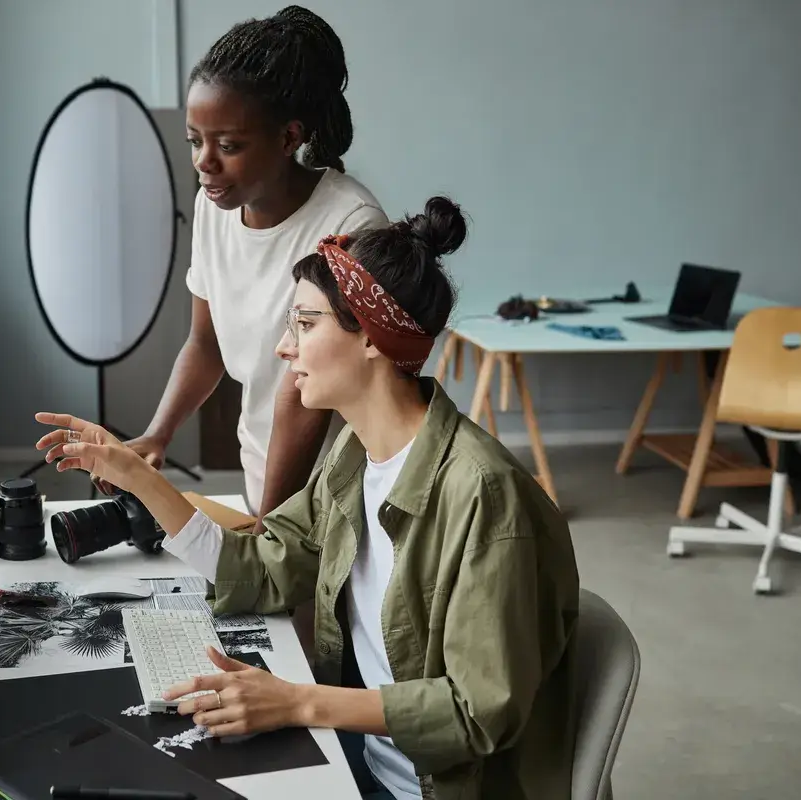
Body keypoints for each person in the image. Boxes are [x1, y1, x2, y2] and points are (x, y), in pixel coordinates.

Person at [34, 196, 581, 800]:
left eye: (305, 323)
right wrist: (136, 475)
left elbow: (478, 712)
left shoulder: (483, 497)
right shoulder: (354, 455)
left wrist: (297, 702)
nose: (283, 348)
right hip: (365, 756)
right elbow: (264, 565)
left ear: (372, 338)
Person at [101, 5, 389, 528]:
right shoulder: (217, 207)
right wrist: (157, 435)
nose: (204, 162)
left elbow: (306, 396)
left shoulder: (350, 224)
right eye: (195, 141)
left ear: (288, 138)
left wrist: (271, 528)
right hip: (265, 481)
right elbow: (206, 344)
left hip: (337, 496)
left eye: (228, 145)